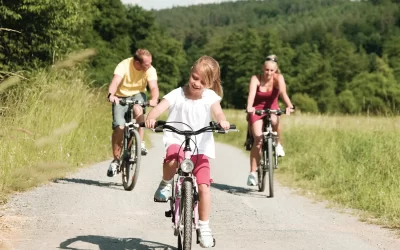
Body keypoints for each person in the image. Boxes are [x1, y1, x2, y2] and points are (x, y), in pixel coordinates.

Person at [145, 56, 230, 248]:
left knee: (204, 187)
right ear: (191, 72)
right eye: (194, 77)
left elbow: (218, 112)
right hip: (177, 139)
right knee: (172, 161)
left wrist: (222, 121)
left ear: (210, 83)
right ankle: (166, 183)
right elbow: (159, 108)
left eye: (202, 81)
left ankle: (204, 226)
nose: (196, 83)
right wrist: (151, 117)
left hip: (201, 146)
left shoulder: (210, 97)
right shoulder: (177, 94)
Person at [107, 48, 159, 177]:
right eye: (147, 64)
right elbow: (115, 82)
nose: (150, 65)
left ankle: (139, 143)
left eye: (150, 63)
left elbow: (153, 87)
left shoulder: (150, 69)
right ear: (137, 63)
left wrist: (154, 99)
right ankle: (116, 160)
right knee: (119, 127)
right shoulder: (123, 65)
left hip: (137, 95)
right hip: (120, 96)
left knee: (138, 109)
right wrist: (111, 95)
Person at [245, 54, 294, 186]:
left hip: (272, 107)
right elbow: (251, 95)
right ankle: (253, 173)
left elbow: (283, 93)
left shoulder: (279, 78)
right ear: (263, 68)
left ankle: (277, 144)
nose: (269, 73)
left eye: (272, 70)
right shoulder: (256, 79)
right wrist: (249, 107)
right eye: (267, 69)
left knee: (274, 121)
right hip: (257, 109)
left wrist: (289, 106)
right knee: (258, 139)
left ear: (275, 70)